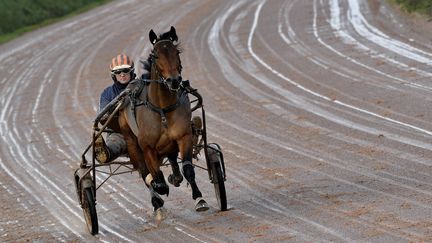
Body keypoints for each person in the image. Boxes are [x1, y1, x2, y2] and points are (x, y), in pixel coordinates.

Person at [94, 54, 137, 163]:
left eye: (125, 71)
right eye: (118, 72)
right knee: (115, 144)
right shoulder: (107, 93)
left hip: (145, 130)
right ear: (113, 75)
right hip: (119, 132)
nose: (122, 75)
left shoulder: (142, 86)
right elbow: (103, 117)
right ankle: (105, 153)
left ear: (131, 72)